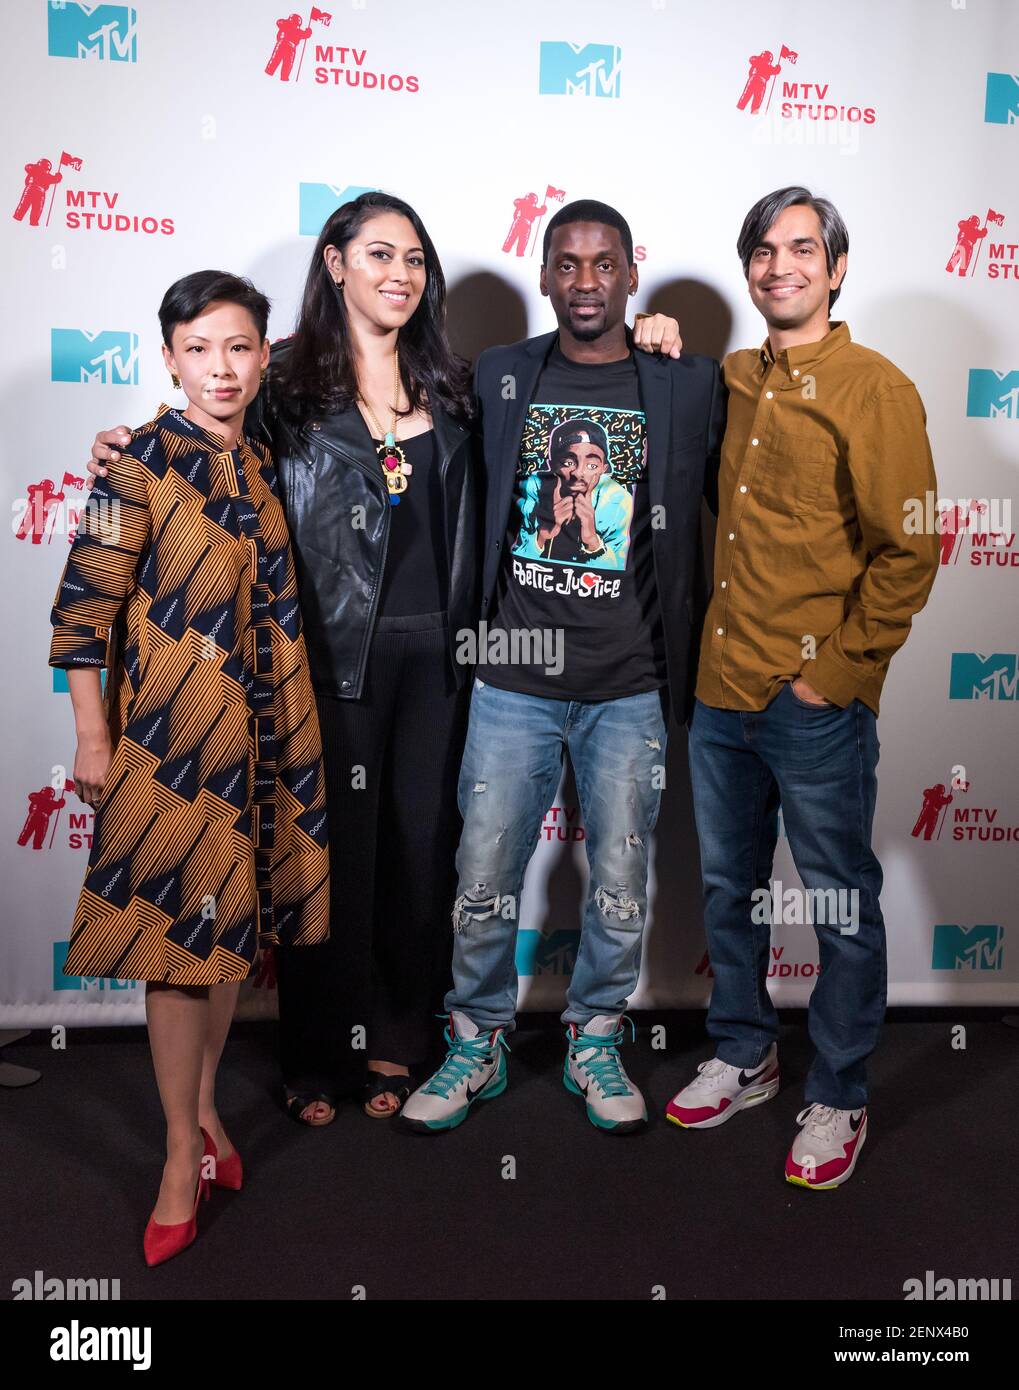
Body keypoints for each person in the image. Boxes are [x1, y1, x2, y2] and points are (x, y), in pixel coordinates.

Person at [86, 193, 682, 1127]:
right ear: (334, 265)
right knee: (327, 864)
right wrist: (128, 444)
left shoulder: (459, 382)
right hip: (325, 659)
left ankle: (403, 1040)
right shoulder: (282, 386)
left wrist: (653, 329)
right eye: (377, 255)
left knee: (424, 856)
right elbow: (207, 440)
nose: (398, 274)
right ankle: (319, 1056)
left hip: (443, 661)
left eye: (413, 258)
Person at [400, 199, 723, 1136]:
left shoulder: (687, 383)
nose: (586, 282)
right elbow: (365, 387)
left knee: (620, 880)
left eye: (604, 264)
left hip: (629, 679)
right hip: (511, 673)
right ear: (543, 276)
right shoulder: (499, 375)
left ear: (631, 272)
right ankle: (478, 1039)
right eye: (567, 264)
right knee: (483, 869)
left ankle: (595, 1034)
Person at [50, 270, 330, 1264]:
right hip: (173, 745)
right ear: (167, 357)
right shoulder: (136, 465)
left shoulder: (259, 456)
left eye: (240, 346)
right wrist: (92, 737)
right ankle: (178, 1154)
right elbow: (83, 612)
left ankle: (208, 1114)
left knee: (223, 937)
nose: (221, 367)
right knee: (175, 948)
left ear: (264, 354)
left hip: (263, 740)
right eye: (200, 348)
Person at [666, 186, 940, 1189]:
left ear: (832, 268)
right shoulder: (731, 376)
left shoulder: (874, 387)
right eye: (761, 250)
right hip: (718, 689)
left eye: (799, 248)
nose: (778, 265)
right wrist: (658, 335)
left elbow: (909, 547)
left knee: (835, 902)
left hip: (807, 702)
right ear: (746, 270)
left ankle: (839, 1093)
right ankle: (743, 1050)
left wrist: (832, 675)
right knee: (725, 891)